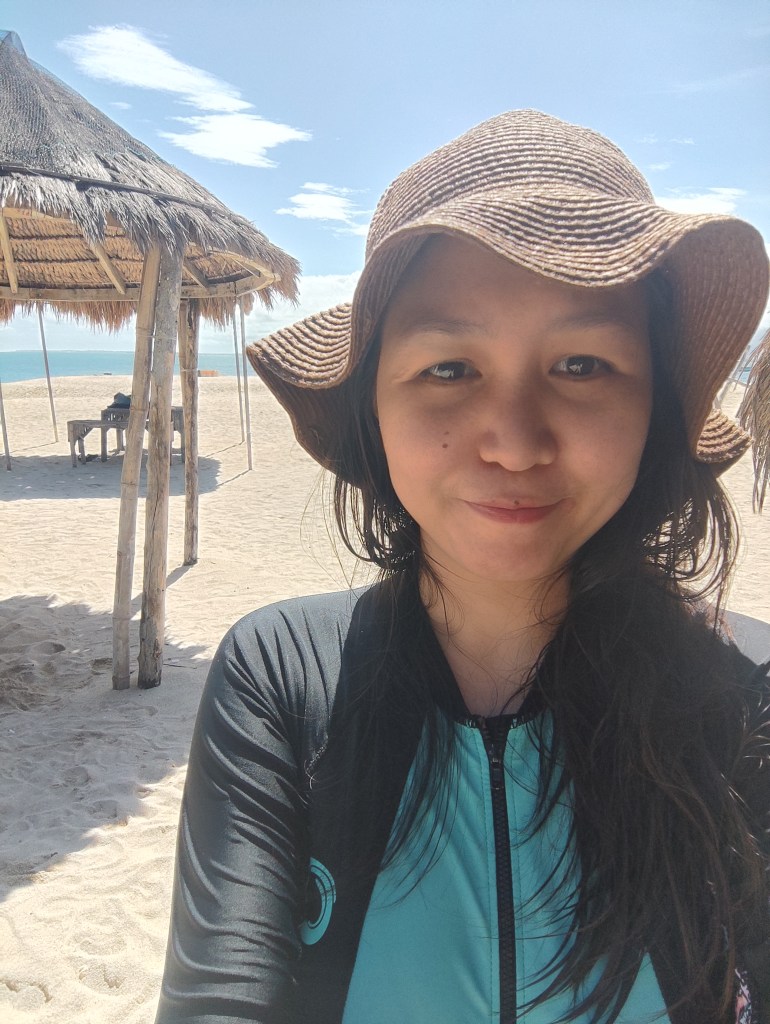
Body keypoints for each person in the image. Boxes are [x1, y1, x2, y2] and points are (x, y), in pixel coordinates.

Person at [156, 111, 770, 1023]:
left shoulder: (747, 692)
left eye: (582, 363)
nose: (515, 444)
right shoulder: (284, 675)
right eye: (449, 368)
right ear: (373, 408)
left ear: (653, 407)